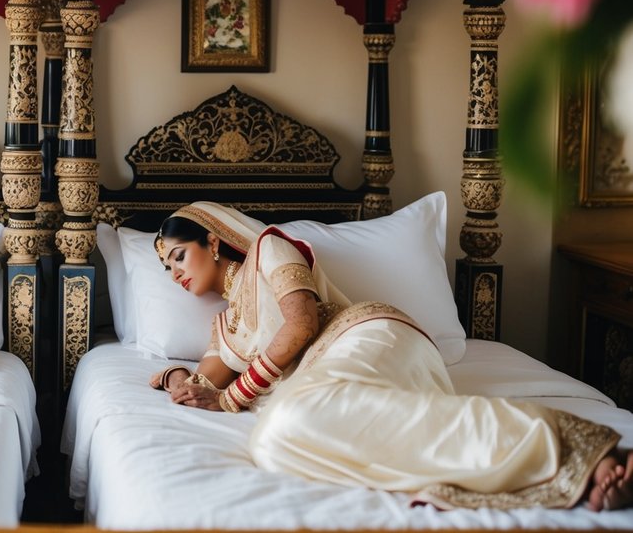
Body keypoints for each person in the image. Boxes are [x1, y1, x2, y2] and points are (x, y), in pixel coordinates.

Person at [149, 201, 633, 512]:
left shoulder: (269, 250)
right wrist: (176, 377)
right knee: (276, 443)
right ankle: (552, 476)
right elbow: (201, 384)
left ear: (212, 241)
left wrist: (234, 399)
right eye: (165, 266)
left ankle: (580, 445)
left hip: (368, 337)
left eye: (177, 256)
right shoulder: (225, 328)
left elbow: (300, 325)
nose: (173, 273)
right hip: (330, 385)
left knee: (287, 420)